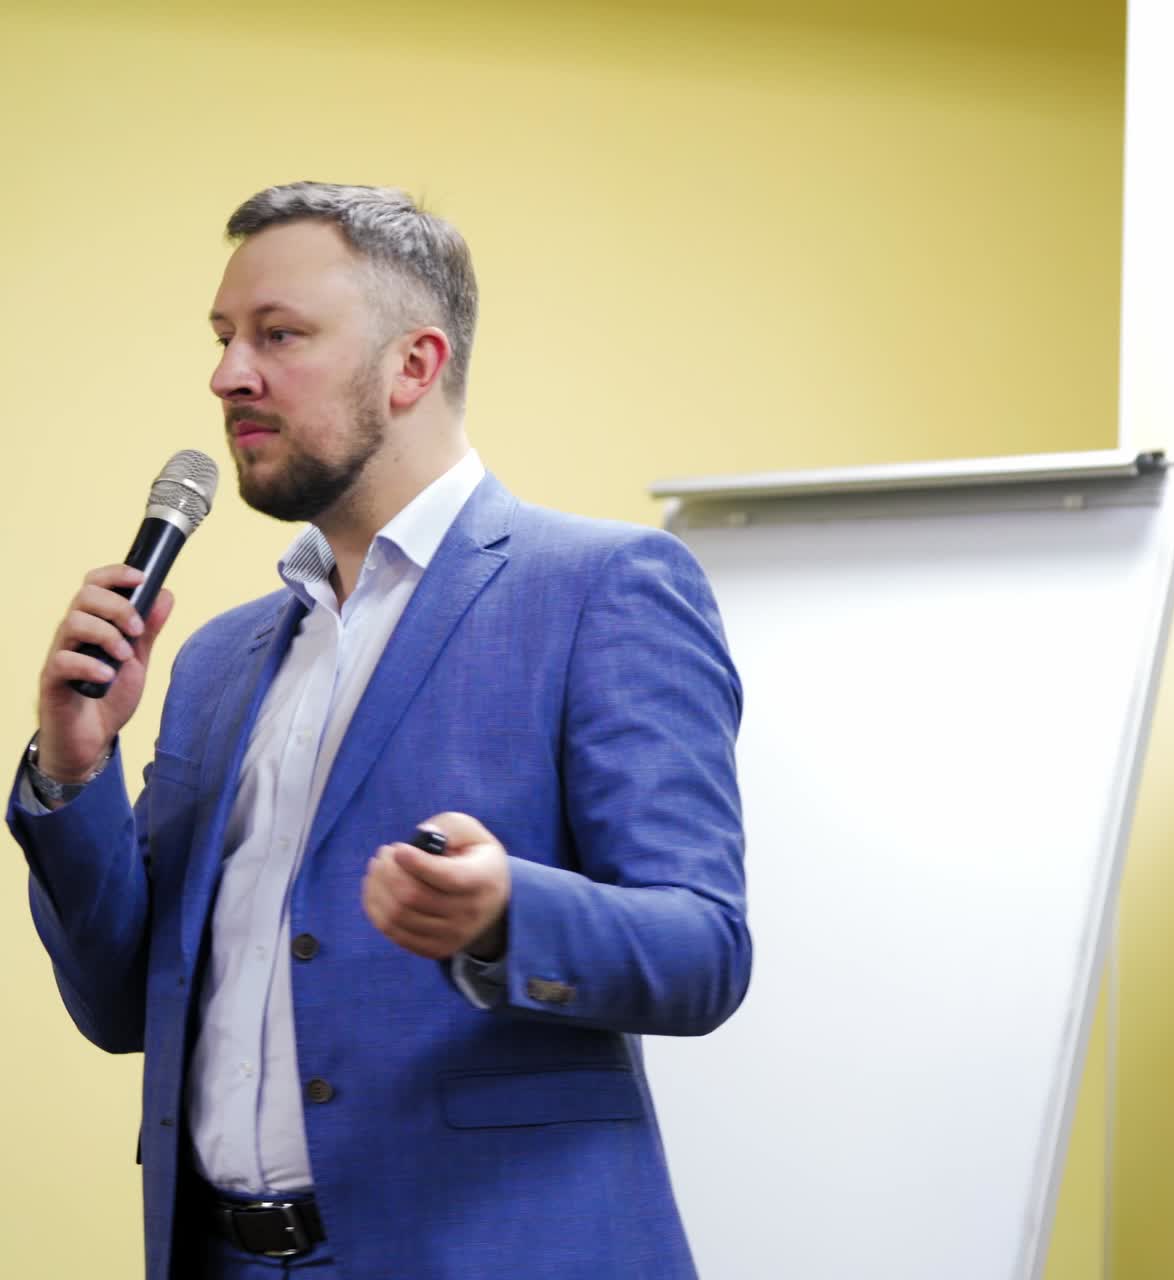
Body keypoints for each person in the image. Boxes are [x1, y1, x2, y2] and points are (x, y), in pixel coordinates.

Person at [7, 183, 749, 1280]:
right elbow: (127, 1006)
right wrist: (76, 773)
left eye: (278, 335)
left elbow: (703, 947)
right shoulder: (217, 659)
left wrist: (506, 914)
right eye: (221, 339)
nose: (227, 375)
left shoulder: (603, 587)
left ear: (412, 365)